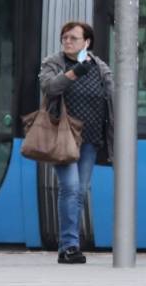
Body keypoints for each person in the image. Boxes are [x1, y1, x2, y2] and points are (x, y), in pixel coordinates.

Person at [38, 21, 113, 265]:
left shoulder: (100, 67)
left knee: (79, 191)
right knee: (70, 188)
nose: (67, 41)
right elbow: (49, 86)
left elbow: (113, 98)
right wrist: (74, 72)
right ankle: (70, 246)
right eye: (65, 38)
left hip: (90, 139)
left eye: (73, 38)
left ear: (86, 42)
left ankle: (68, 245)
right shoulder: (54, 63)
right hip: (63, 137)